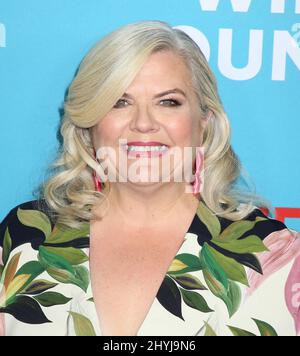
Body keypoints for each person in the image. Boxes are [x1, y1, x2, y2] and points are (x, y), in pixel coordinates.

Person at [0, 20, 299, 337]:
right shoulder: (24, 238)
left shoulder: (278, 259)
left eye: (168, 101)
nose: (143, 123)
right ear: (89, 127)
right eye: (120, 101)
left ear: (205, 123)